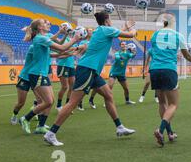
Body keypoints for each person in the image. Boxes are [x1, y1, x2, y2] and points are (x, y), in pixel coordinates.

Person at [43, 12, 136, 146]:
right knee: (72, 103)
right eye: (109, 18)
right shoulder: (106, 29)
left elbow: (117, 32)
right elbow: (130, 35)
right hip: (88, 69)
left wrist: (125, 28)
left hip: (92, 71)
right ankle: (51, 133)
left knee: (108, 95)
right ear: (107, 20)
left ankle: (119, 127)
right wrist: (133, 28)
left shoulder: (100, 30)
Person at [19, 20, 80, 135]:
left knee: (50, 101)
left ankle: (40, 126)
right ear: (40, 28)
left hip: (42, 73)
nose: (48, 25)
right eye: (45, 24)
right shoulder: (41, 38)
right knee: (47, 101)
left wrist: (72, 52)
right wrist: (74, 39)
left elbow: (58, 51)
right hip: (37, 74)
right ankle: (25, 118)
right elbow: (61, 48)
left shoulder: (42, 38)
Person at [151, 15, 191, 147]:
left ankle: (170, 133)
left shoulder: (154, 35)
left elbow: (156, 51)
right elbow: (187, 55)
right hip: (169, 70)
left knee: (162, 103)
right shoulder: (178, 35)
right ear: (173, 22)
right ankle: (160, 130)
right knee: (173, 104)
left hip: (155, 69)